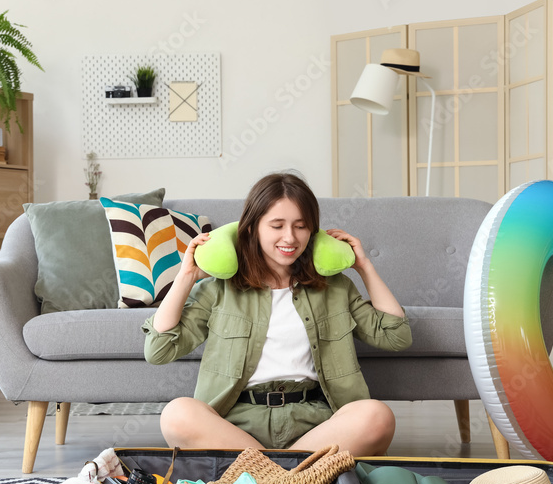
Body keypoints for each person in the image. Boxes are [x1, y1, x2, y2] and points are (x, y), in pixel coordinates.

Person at [142, 172, 412, 457]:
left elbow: (396, 336)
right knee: (177, 413)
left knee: (377, 415)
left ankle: (264, 475)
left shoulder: (335, 287)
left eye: (301, 226)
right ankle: (296, 476)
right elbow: (158, 350)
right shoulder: (218, 289)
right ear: (251, 229)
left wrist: (364, 267)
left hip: (315, 423)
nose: (290, 237)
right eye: (277, 225)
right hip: (236, 425)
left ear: (313, 232)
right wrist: (186, 276)